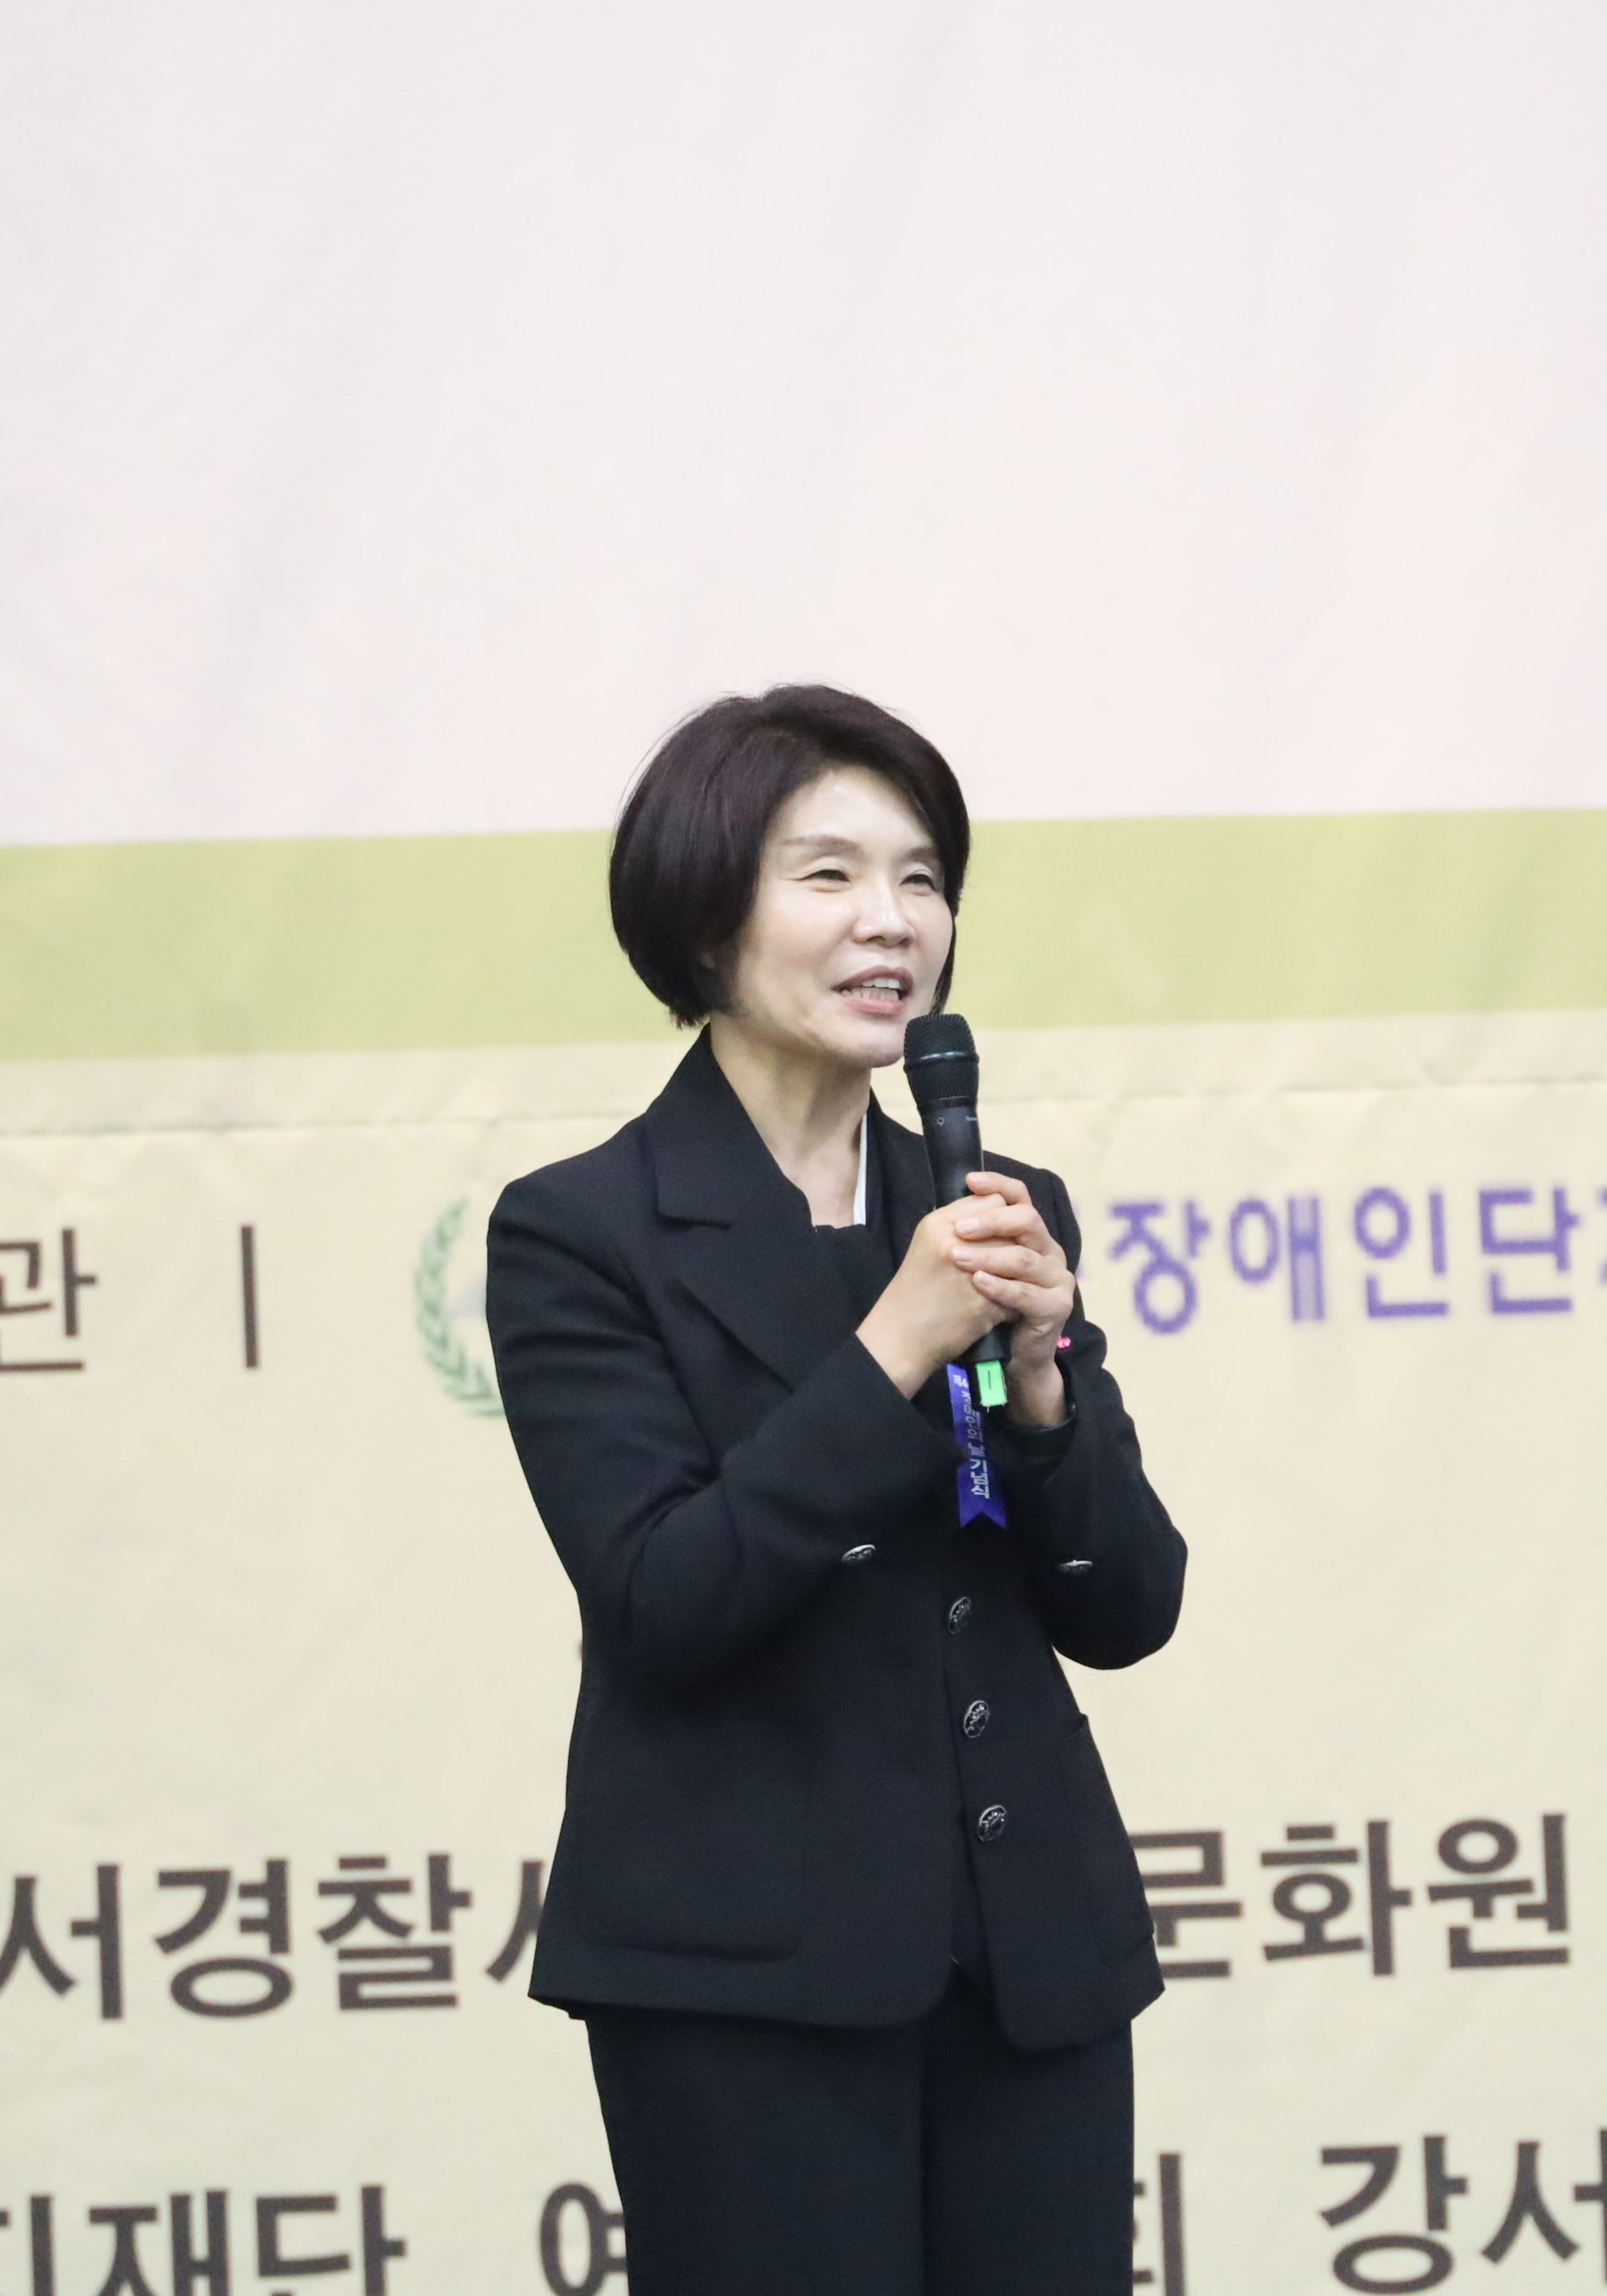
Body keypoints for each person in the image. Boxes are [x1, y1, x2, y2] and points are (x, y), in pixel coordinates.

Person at [485, 685, 1186, 2296]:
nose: (894, 921)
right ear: (704, 915)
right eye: (831, 875)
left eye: (923, 878)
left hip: (1028, 1964)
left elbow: (1128, 1607)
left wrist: (1043, 1388)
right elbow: (668, 1598)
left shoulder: (992, 1202)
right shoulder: (583, 1232)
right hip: (746, 1982)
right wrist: (896, 1346)